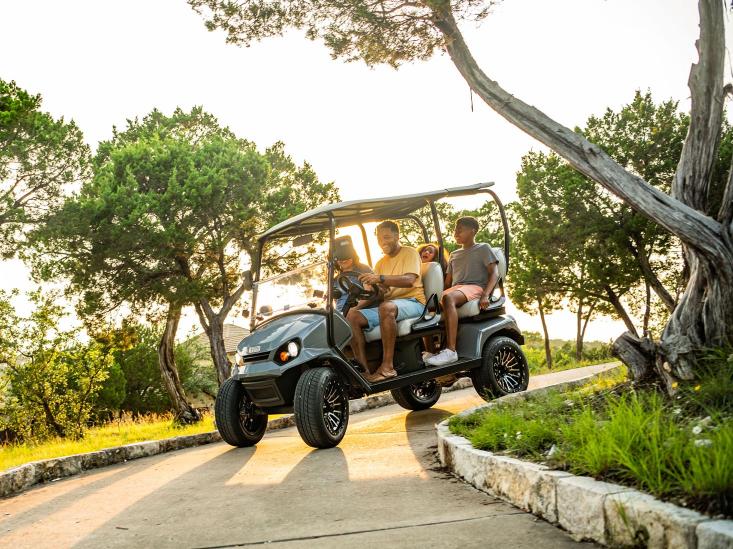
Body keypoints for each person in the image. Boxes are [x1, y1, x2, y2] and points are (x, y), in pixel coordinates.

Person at [345, 220, 426, 382]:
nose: (383, 242)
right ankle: (364, 372)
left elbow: (409, 280)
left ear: (397, 236)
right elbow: (380, 292)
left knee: (386, 307)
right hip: (391, 306)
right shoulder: (380, 263)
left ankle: (387, 367)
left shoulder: (409, 253)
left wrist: (380, 278)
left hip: (415, 303)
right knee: (352, 316)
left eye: (387, 237)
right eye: (380, 239)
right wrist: (361, 299)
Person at [426, 217, 499, 367]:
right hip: (457, 288)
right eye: (455, 229)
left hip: (476, 287)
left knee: (448, 298)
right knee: (426, 308)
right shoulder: (454, 254)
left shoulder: (483, 248)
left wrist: (485, 294)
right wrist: (434, 302)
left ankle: (451, 351)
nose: (456, 232)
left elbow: (494, 274)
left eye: (461, 229)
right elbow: (448, 283)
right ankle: (432, 352)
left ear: (473, 231)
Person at [332, 236, 372, 313]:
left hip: (358, 311)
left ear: (352, 254)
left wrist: (352, 310)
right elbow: (337, 302)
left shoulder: (363, 270)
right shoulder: (335, 279)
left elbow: (369, 294)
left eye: (346, 256)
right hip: (341, 314)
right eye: (340, 258)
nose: (343, 260)